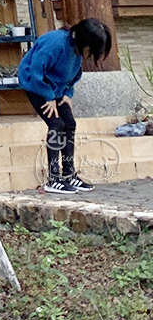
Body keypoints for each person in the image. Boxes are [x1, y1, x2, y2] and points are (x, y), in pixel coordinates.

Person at [16, 18, 112, 194]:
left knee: (69, 123)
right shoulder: (56, 43)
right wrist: (48, 96)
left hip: (57, 89)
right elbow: (36, 70)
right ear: (84, 40)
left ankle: (69, 175)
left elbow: (74, 73)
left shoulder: (77, 49)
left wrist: (68, 94)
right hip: (35, 84)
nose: (90, 53)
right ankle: (53, 179)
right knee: (56, 124)